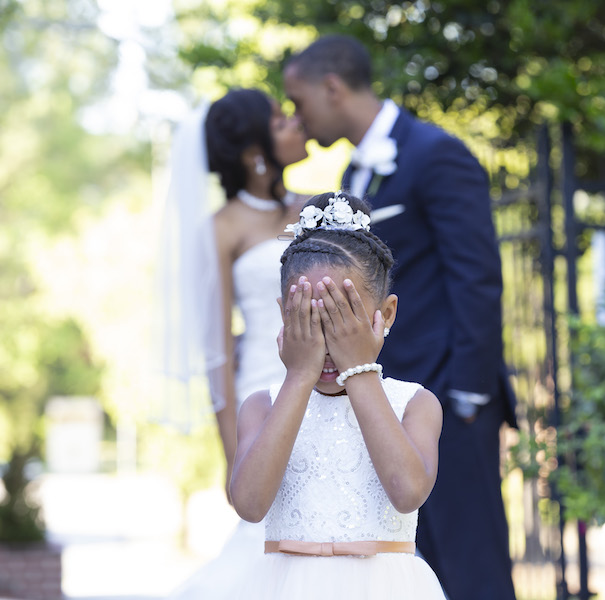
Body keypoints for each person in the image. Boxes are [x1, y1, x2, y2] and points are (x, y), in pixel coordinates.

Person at [283, 35, 518, 599]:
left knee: (469, 563)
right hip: (383, 398)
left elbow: (477, 277)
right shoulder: (355, 173)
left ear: (332, 87)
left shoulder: (437, 155)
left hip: (448, 399)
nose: (299, 117)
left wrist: (468, 394)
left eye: (299, 101)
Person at [229, 191, 446, 600]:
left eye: (343, 322)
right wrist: (299, 375)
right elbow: (250, 504)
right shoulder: (263, 405)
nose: (328, 342)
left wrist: (359, 368)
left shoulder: (415, 404)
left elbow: (407, 493)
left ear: (386, 315)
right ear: (283, 315)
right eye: (310, 320)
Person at [157, 88, 309, 598]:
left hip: (332, 389)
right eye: (279, 119)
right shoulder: (221, 229)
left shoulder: (318, 207)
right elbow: (217, 351)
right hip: (261, 397)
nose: (295, 123)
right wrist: (232, 447)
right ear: (253, 153)